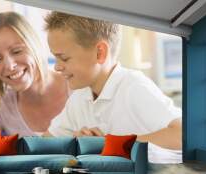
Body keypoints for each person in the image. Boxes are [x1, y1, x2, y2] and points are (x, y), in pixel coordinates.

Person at [43, 12, 182, 163]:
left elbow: (182, 135)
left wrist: (110, 145)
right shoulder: (79, 98)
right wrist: (78, 145)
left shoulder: (134, 87)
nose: (57, 67)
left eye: (64, 58)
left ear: (99, 53)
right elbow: (46, 142)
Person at [0, 12, 69, 137]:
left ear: (34, 46)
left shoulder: (76, 86)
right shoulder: (1, 104)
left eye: (17, 51)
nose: (9, 66)